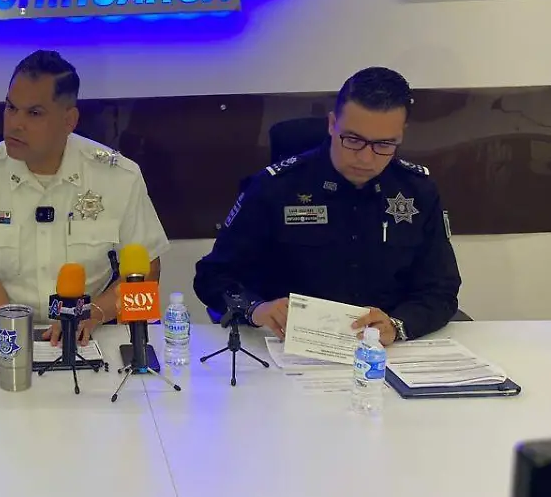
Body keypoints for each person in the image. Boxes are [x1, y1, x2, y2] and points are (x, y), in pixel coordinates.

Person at [193, 67, 461, 345]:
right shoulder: (274, 188)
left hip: (382, 349)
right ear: (332, 124)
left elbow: (440, 289)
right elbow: (213, 276)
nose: (366, 158)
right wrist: (256, 309)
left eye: (384, 144)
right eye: (353, 140)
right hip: (289, 346)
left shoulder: (418, 191)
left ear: (401, 135)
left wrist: (398, 325)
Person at [0, 50, 170, 346]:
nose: (15, 123)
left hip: (90, 336)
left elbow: (147, 272)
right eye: (11, 108)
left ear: (69, 120)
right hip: (1, 337)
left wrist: (96, 313)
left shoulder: (118, 178)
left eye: (34, 113)